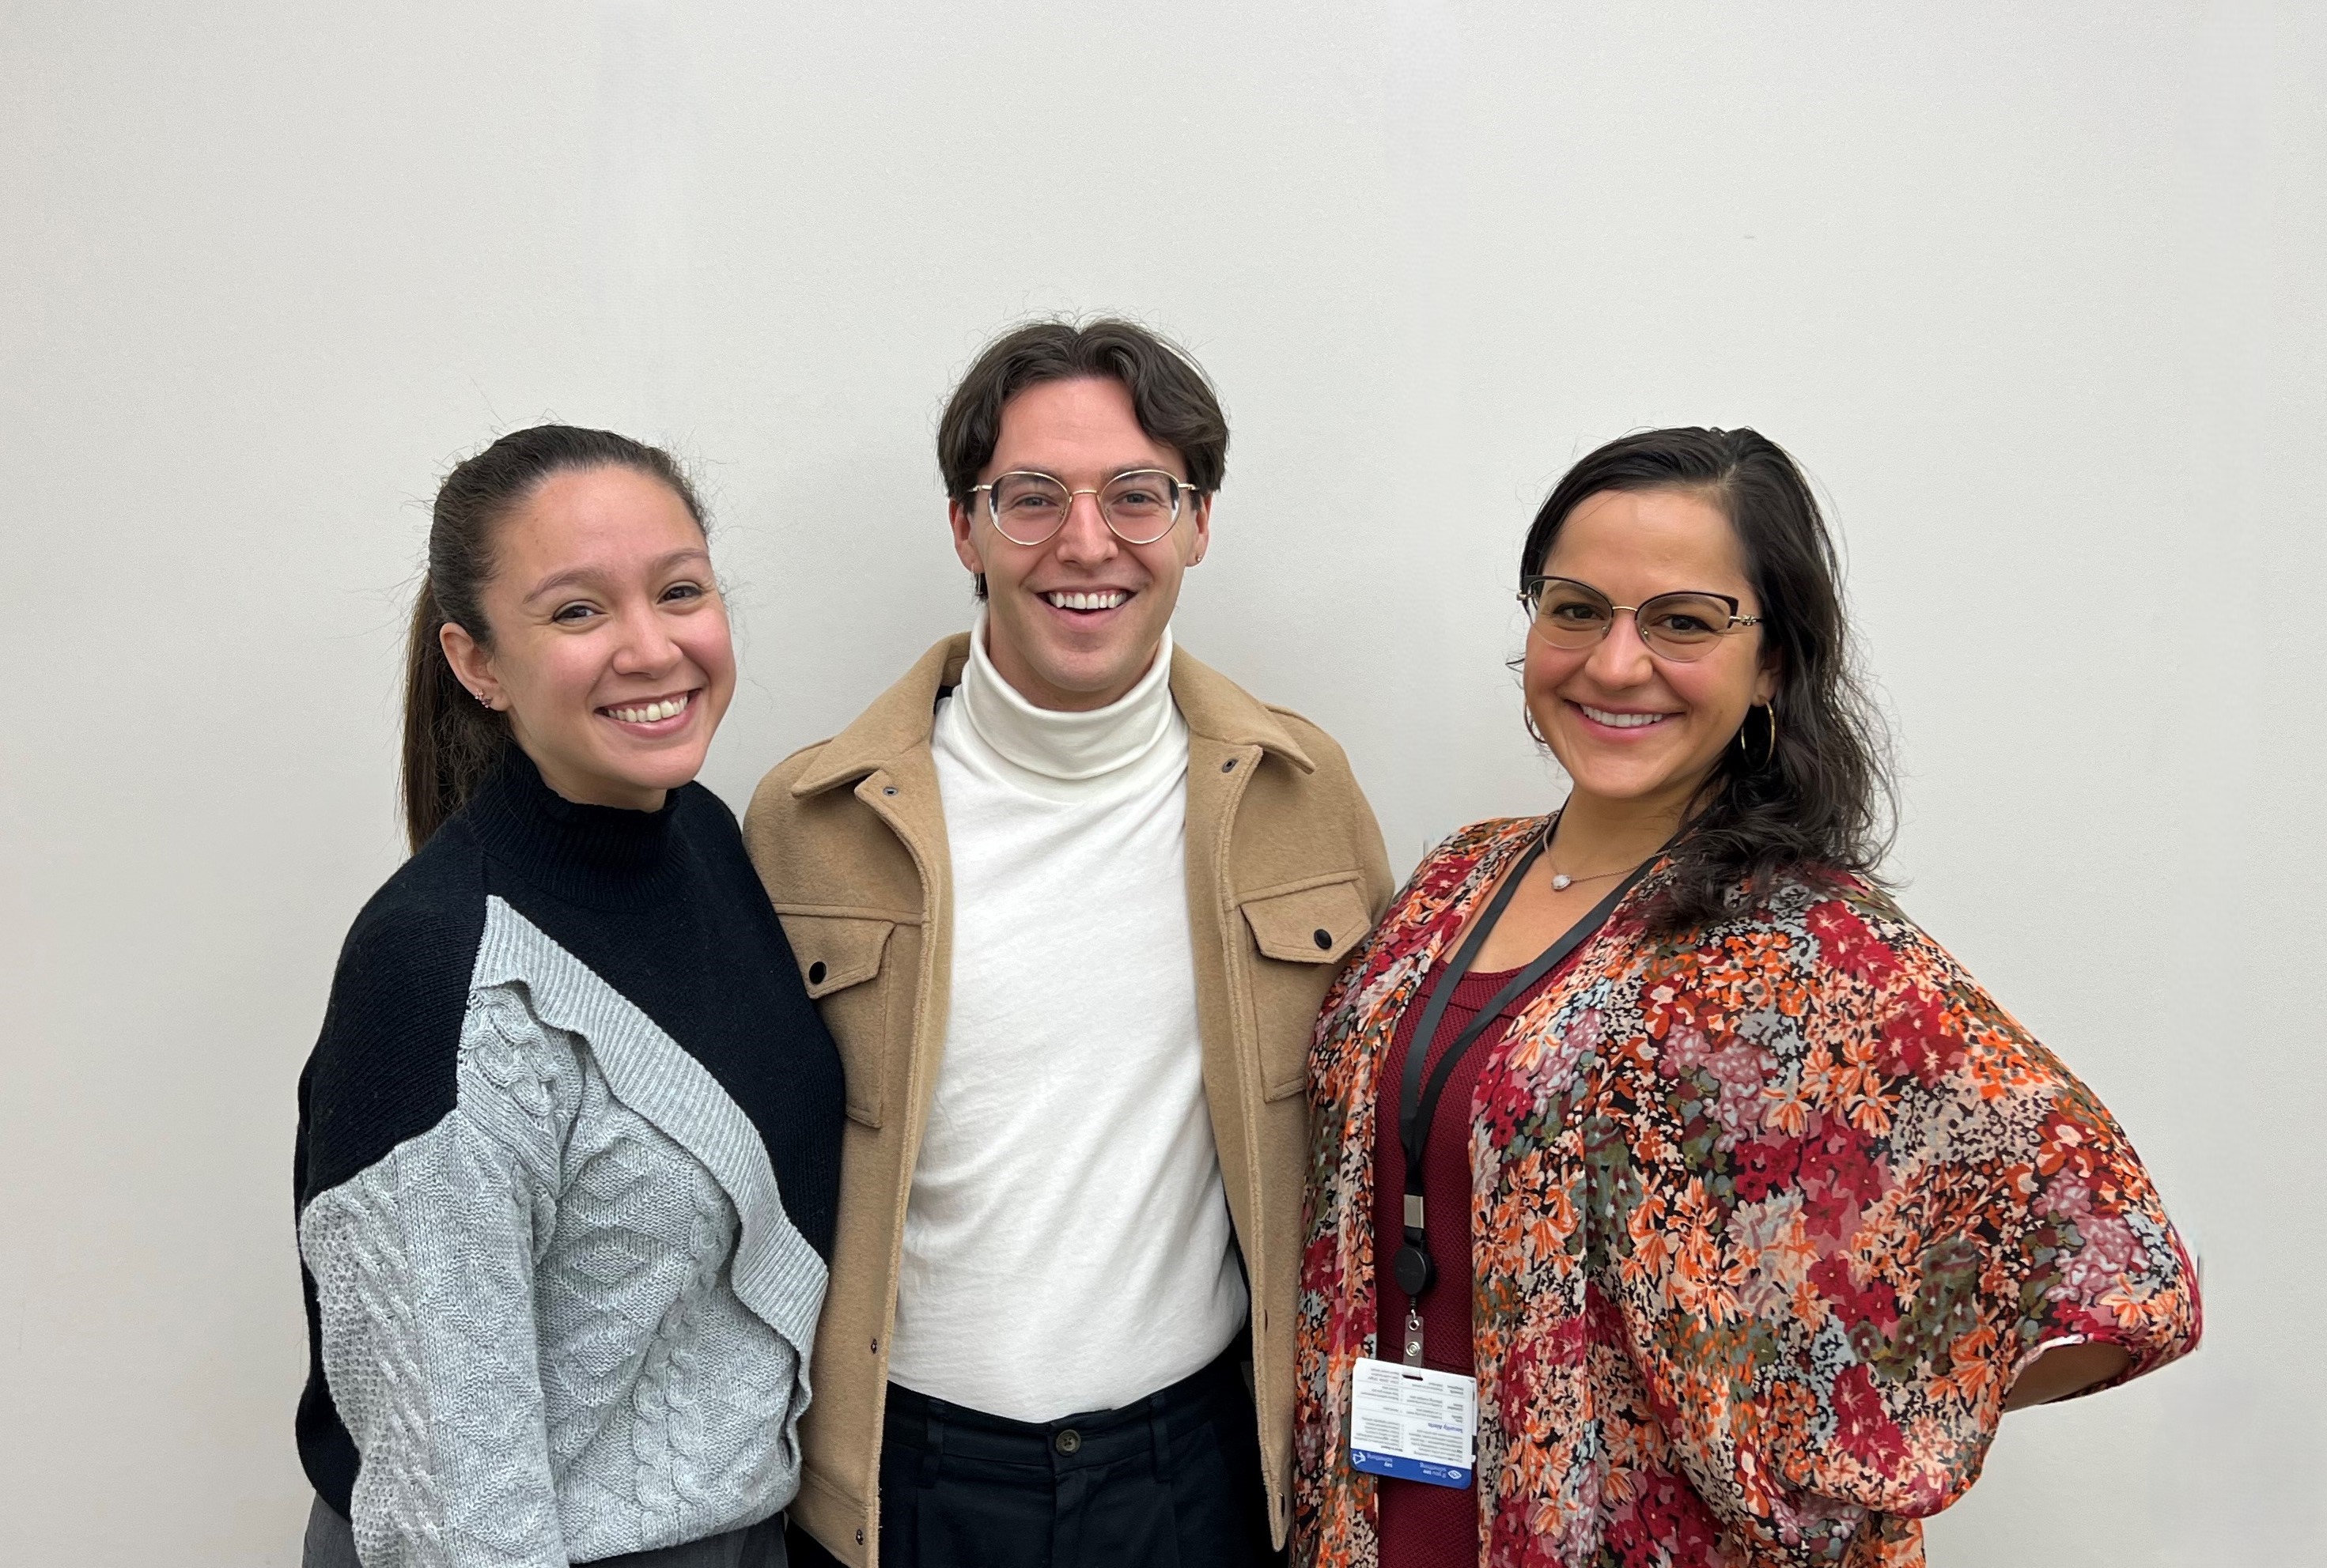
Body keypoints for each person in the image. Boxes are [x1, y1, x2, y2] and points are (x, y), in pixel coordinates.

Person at [1292, 427, 2202, 1566]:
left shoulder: (1802, 945)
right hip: (1380, 1515)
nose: (1614, 663)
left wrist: (1796, 1418)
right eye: (1574, 608)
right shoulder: (1452, 880)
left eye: (1681, 621)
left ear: (1773, 660)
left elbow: (2112, 1271)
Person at [742, 318, 1394, 1567]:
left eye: (1137, 497)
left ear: (1198, 524)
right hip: (903, 1487)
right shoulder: (809, 820)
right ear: (963, 527)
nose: (1084, 543)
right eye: (1030, 497)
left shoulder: (1301, 795)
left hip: (1201, 1478)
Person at [293, 425, 845, 1568]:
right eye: (578, 611)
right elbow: (455, 1516)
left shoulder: (703, 838)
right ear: (477, 661)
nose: (652, 648)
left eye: (679, 591)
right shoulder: (439, 976)